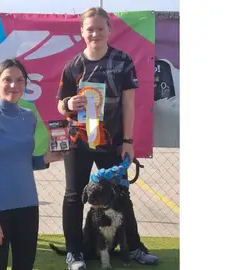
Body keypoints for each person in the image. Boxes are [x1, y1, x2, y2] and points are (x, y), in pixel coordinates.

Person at [56, 7, 160, 270]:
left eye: (100, 28)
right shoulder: (73, 66)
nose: (95, 34)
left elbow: (129, 105)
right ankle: (74, 252)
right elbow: (60, 105)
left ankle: (134, 247)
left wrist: (128, 140)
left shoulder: (123, 61)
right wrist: (69, 102)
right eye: (89, 29)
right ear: (82, 32)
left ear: (109, 30)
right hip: (78, 142)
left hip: (111, 142)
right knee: (73, 196)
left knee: (121, 195)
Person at [0, 58, 66, 270]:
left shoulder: (29, 117)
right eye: (7, 80)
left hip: (28, 207)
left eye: (20, 80)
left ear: (25, 84)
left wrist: (46, 159)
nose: (14, 86)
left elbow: (24, 161)